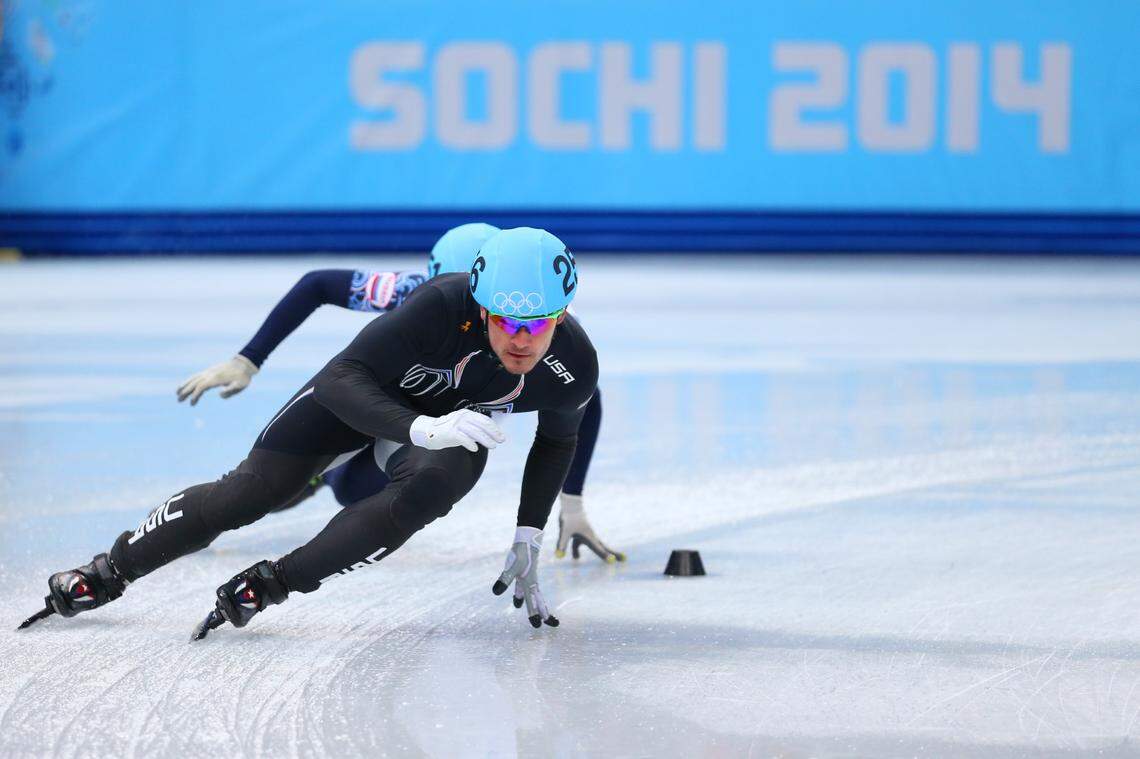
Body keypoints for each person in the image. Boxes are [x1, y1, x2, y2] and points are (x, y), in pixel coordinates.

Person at [18, 228, 598, 637]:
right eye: (506, 321)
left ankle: (272, 583)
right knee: (253, 493)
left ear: (563, 316)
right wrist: (419, 424)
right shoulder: (436, 303)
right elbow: (342, 376)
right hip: (371, 401)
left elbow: (561, 432)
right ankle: (109, 570)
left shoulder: (573, 363)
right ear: (480, 303)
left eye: (537, 325)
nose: (520, 339)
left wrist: (531, 528)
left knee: (423, 493)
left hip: (444, 431)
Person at [175, 223, 623, 563]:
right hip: (396, 397)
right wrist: (249, 358)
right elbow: (318, 285)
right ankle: (303, 477)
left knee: (357, 490)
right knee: (290, 479)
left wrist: (572, 501)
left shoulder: (533, 321)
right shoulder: (425, 298)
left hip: (451, 414)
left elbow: (581, 401)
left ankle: (329, 474)